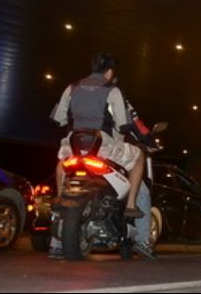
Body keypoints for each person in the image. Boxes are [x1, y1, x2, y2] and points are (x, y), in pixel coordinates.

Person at [48, 53, 153, 259]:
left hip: (74, 143)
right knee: (139, 157)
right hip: (103, 145)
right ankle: (131, 208)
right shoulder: (113, 90)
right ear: (110, 71)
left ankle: (58, 226)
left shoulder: (72, 87)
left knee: (62, 165)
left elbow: (58, 119)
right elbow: (124, 124)